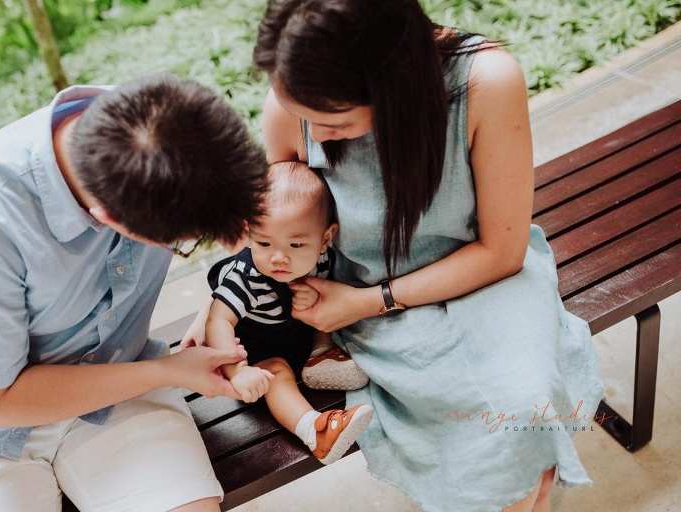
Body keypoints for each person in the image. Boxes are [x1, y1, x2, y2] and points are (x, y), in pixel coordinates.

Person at [253, 1, 605, 511]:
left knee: (524, 411)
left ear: (390, 82)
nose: (316, 135)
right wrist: (227, 297)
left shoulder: (485, 82)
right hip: (361, 303)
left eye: (334, 122)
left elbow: (501, 251)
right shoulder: (292, 105)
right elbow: (281, 226)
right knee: (482, 434)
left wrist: (370, 301)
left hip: (483, 279)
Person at [0, 74, 269, 512]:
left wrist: (216, 309)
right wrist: (166, 371)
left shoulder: (178, 131)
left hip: (123, 383)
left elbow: (256, 232)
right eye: (182, 245)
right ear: (108, 220)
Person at [203, 161, 372, 465]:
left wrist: (315, 295)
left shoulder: (321, 259)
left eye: (295, 244)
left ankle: (321, 354)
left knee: (325, 304)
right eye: (264, 242)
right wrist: (237, 370)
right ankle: (315, 430)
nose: (279, 257)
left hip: (300, 333)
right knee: (277, 372)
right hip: (257, 354)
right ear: (249, 232)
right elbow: (218, 320)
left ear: (325, 238)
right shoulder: (246, 276)